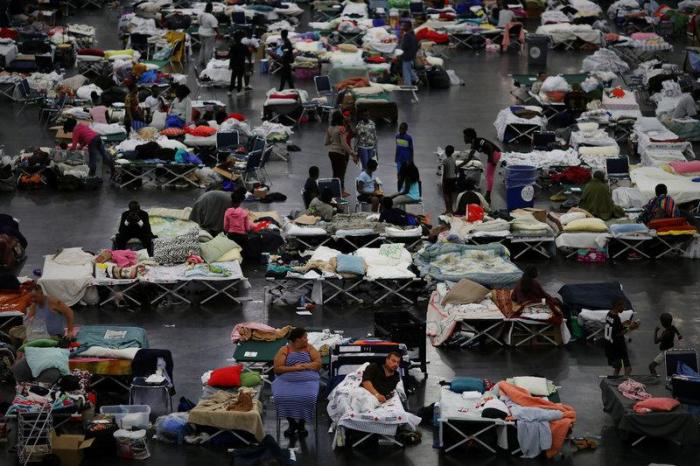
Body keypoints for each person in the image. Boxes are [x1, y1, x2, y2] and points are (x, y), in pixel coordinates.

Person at [272, 327, 321, 438]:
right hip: (286, 379)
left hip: (308, 378)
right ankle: (292, 424)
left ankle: (302, 424)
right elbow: (277, 368)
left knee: (309, 397)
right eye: (305, 337)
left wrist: (304, 365)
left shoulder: (310, 348)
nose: (307, 340)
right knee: (280, 396)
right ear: (297, 339)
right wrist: (295, 369)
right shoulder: (285, 350)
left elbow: (318, 364)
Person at [463, 128, 501, 200]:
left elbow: (489, 147)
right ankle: (488, 194)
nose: (464, 138)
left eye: (465, 136)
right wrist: (460, 165)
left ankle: (488, 195)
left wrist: (491, 159)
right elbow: (469, 157)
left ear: (469, 137)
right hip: (493, 154)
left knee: (489, 175)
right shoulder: (474, 145)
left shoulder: (478, 141)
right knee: (489, 175)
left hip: (495, 153)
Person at [604, 298, 638, 377]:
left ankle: (614, 381)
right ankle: (625, 383)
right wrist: (630, 327)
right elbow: (619, 333)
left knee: (618, 367)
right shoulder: (616, 318)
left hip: (610, 345)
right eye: (622, 306)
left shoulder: (609, 314)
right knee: (628, 368)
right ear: (617, 306)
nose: (624, 308)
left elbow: (615, 327)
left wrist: (624, 323)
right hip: (618, 346)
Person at [325, 111, 356, 196]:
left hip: (331, 153)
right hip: (339, 153)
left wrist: (334, 139)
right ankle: (341, 191)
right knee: (341, 173)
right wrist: (352, 153)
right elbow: (344, 144)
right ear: (340, 118)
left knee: (335, 173)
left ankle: (333, 191)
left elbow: (326, 142)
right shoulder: (342, 128)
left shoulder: (330, 128)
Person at [228, 32, 250, 96]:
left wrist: (230, 65)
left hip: (234, 64)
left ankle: (230, 91)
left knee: (233, 77)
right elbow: (248, 55)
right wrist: (249, 64)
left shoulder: (233, 47)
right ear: (241, 39)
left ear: (234, 39)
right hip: (241, 64)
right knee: (239, 77)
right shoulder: (244, 46)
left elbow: (231, 56)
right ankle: (238, 91)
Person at [197, 2, 219, 67]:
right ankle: (207, 63)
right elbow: (215, 27)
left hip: (201, 32)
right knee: (208, 48)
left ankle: (200, 61)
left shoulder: (200, 15)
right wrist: (218, 34)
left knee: (202, 47)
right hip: (209, 34)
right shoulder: (212, 17)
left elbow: (198, 22)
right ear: (211, 9)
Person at [399, 22, 418, 86]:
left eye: (404, 26)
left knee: (406, 71)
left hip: (407, 56)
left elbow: (404, 47)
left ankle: (408, 85)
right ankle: (415, 79)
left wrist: (401, 37)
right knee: (410, 69)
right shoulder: (412, 34)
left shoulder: (407, 35)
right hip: (412, 55)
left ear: (408, 27)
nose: (403, 27)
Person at [395, 122, 414, 189]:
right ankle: (399, 188)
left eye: (402, 128)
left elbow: (411, 149)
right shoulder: (397, 136)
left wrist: (411, 160)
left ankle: (406, 188)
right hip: (399, 160)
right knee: (399, 174)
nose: (400, 130)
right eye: (400, 128)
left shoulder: (409, 138)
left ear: (406, 129)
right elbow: (397, 148)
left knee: (406, 175)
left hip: (406, 160)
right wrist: (396, 158)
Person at [441, 145, 458, 214]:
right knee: (451, 195)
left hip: (447, 179)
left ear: (445, 152)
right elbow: (456, 169)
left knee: (445, 194)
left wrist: (443, 180)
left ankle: (447, 210)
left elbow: (445, 171)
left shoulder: (445, 160)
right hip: (453, 178)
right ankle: (451, 209)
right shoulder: (454, 160)